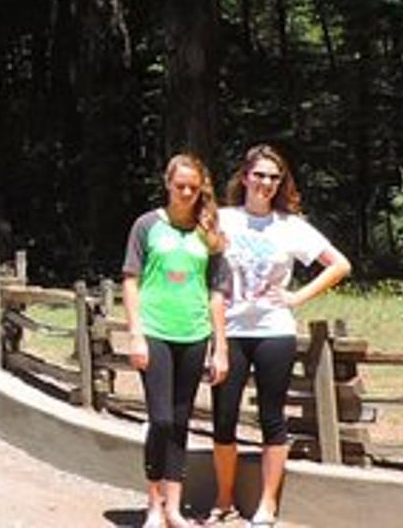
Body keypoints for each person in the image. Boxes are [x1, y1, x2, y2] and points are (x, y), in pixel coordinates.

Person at [204, 144, 351, 528]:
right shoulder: (222, 220)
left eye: (274, 177)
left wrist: (296, 297)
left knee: (272, 417)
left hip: (273, 330)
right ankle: (224, 498)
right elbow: (199, 268)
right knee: (223, 417)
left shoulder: (290, 226)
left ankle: (266, 505)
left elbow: (339, 264)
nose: (266, 183)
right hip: (230, 331)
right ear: (245, 176)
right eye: (260, 175)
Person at [122, 154, 229, 528]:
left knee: (182, 421)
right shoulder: (147, 225)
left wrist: (221, 347)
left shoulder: (209, 233)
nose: (185, 193)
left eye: (192, 187)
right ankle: (153, 503)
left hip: (194, 334)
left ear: (201, 188)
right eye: (179, 185)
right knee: (161, 419)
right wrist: (135, 333)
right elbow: (131, 279)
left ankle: (173, 507)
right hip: (155, 332)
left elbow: (217, 292)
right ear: (167, 183)